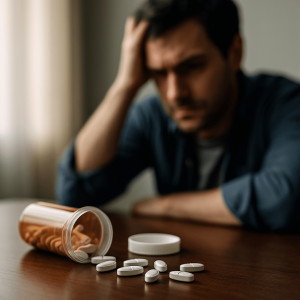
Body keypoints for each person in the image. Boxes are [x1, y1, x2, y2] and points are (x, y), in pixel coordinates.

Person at [56, 0, 300, 232]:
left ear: (234, 52)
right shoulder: (152, 116)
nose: (174, 94)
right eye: (158, 73)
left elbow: (286, 197)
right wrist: (125, 85)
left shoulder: (286, 103)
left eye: (192, 67)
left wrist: (166, 206)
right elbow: (74, 194)